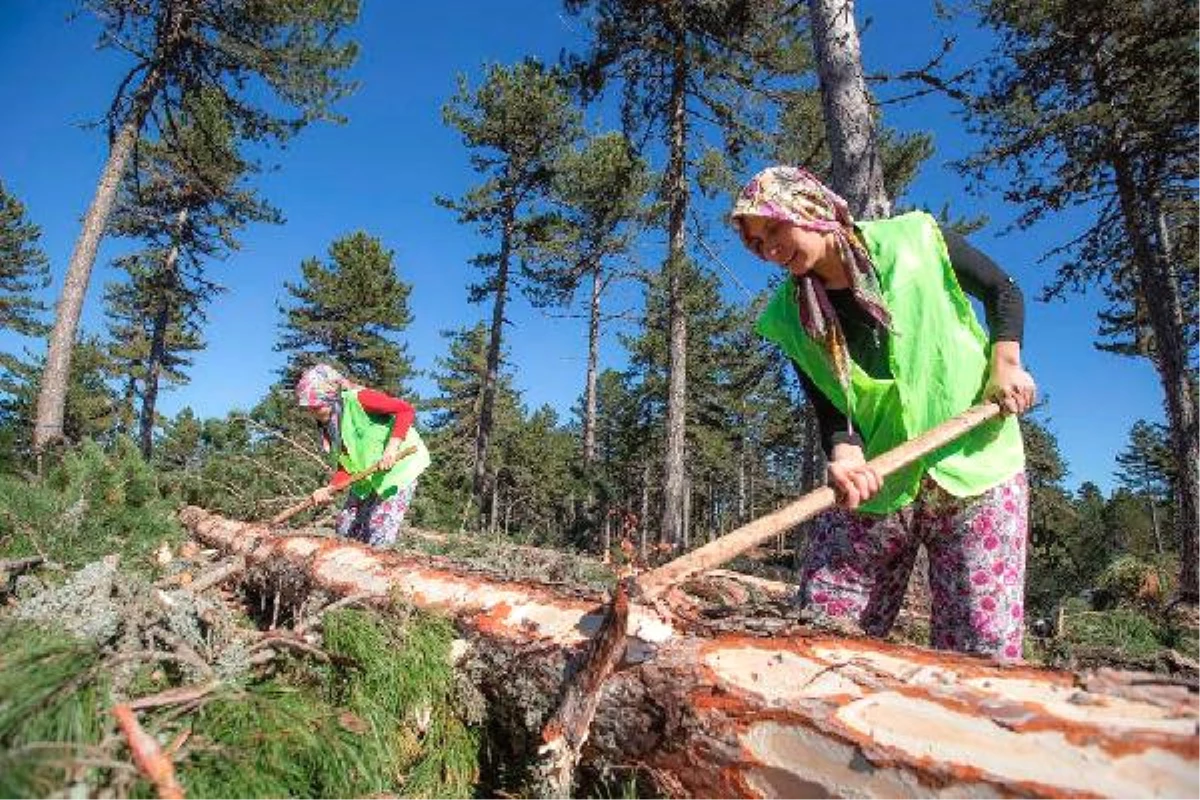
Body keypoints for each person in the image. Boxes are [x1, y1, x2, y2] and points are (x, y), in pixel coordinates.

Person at [730, 166, 1036, 661]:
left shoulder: (916, 239)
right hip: (880, 479)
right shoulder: (788, 315)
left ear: (808, 209)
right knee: (823, 631)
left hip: (975, 465)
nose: (769, 250)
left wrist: (1006, 364)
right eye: (757, 244)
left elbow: (1004, 290)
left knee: (981, 648)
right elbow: (830, 402)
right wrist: (845, 455)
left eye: (773, 230)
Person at [294, 363, 430, 548]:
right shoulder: (331, 426)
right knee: (345, 528)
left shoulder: (360, 399)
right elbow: (347, 466)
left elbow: (405, 410)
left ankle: (378, 571)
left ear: (331, 398)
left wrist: (392, 448)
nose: (313, 414)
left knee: (378, 532)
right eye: (309, 409)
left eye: (316, 407)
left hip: (399, 469)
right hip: (367, 477)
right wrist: (329, 488)